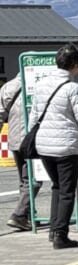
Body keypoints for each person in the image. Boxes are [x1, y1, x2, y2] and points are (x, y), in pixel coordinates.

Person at [28, 43, 78, 249]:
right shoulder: (73, 89)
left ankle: (54, 230)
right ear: (74, 64)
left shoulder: (41, 86)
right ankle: (61, 235)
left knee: (57, 186)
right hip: (66, 147)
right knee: (67, 190)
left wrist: (33, 140)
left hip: (44, 146)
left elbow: (34, 117)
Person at [0, 75, 42, 231]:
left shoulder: (8, 86)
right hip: (32, 139)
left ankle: (28, 215)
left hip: (14, 139)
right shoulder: (40, 84)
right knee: (35, 179)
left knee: (24, 179)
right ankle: (18, 215)